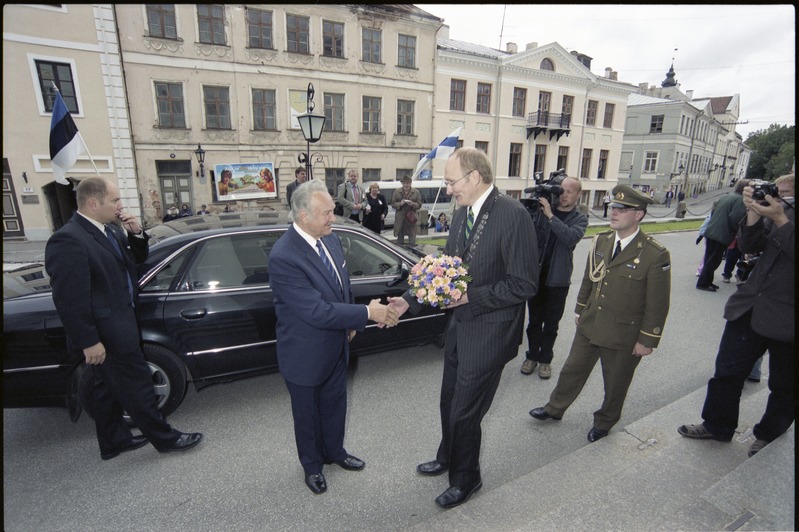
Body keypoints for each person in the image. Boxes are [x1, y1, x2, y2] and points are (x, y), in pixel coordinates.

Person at [388, 147, 538, 509]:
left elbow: (524, 284)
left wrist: (471, 297)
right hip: (459, 329)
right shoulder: (460, 214)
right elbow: (445, 270)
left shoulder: (512, 215)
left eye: (451, 181)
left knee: (465, 411)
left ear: (474, 177)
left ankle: (467, 478)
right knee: (448, 402)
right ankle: (448, 457)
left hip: (490, 333)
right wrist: (409, 299)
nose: (448, 188)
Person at [44, 177, 203, 460]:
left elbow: (136, 262)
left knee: (102, 388)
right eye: (115, 200)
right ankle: (165, 439)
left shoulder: (111, 230)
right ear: (94, 204)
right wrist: (89, 341)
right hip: (106, 331)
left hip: (122, 321)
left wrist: (136, 233)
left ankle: (113, 440)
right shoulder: (69, 239)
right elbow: (69, 299)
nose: (120, 205)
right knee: (139, 385)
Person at [268, 180, 398, 495]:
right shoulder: (284, 256)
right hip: (305, 354)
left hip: (336, 344)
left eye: (333, 211)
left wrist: (349, 326)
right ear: (302, 216)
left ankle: (335, 452)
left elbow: (343, 288)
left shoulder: (330, 240)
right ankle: (312, 467)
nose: (333, 218)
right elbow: (317, 311)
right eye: (326, 213)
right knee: (308, 416)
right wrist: (367, 314)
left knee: (335, 404)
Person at [530, 185, 671, 443]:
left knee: (616, 382)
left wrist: (647, 339)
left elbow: (658, 303)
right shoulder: (601, 241)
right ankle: (555, 408)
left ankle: (605, 421)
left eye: (621, 209)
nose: (613, 212)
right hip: (591, 324)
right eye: (613, 207)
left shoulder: (654, 253)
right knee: (572, 370)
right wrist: (580, 310)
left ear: (638, 214)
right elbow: (589, 280)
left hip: (624, 332)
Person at [678, 174, 794, 457]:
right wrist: (753, 214)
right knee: (727, 371)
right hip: (751, 306)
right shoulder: (778, 209)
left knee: (786, 384)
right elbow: (749, 247)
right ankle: (717, 424)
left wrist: (781, 220)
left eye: (785, 193)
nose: (778, 196)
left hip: (789, 316)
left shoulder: (783, 214)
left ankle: (769, 434)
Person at [521, 176, 588, 380]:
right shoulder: (543, 211)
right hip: (537, 276)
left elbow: (569, 238)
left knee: (551, 324)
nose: (563, 195)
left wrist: (550, 216)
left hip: (557, 280)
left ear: (578, 195)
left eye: (568, 191)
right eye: (561, 191)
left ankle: (545, 360)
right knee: (534, 321)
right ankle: (531, 356)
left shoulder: (580, 218)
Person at [696, 180, 748, 292]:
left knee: (710, 258)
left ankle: (707, 281)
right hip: (722, 233)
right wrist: (736, 231)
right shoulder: (739, 200)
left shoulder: (727, 196)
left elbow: (714, 212)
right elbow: (736, 218)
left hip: (712, 231)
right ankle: (703, 283)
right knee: (714, 260)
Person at [391, 175, 422, 245]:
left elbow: (419, 204)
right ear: (402, 183)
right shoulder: (396, 192)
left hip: (411, 219)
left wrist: (412, 204)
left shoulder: (416, 192)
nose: (406, 185)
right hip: (400, 220)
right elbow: (393, 204)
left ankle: (411, 253)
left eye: (407, 183)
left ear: (410, 183)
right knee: (400, 241)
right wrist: (400, 204)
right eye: (404, 183)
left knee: (412, 240)